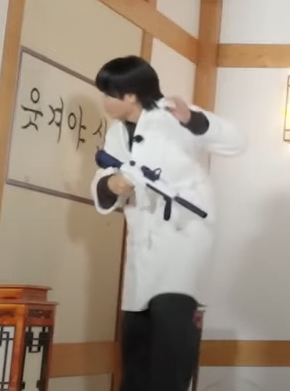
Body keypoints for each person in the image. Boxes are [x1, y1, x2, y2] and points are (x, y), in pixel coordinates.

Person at [88, 55, 246, 391]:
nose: (104, 101)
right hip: (142, 249)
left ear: (131, 94)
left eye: (108, 94)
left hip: (182, 239)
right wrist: (111, 184)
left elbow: (234, 141)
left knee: (171, 343)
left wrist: (194, 120)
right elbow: (107, 174)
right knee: (137, 347)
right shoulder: (116, 133)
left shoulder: (174, 117)